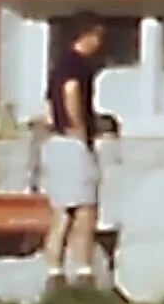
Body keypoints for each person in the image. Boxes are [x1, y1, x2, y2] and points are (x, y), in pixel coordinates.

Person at [42, 15, 114, 287]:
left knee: (62, 210)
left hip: (55, 142)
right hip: (72, 143)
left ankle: (54, 271)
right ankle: (84, 270)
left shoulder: (58, 64)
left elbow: (49, 105)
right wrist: (80, 128)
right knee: (85, 209)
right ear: (87, 35)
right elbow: (71, 92)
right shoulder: (76, 65)